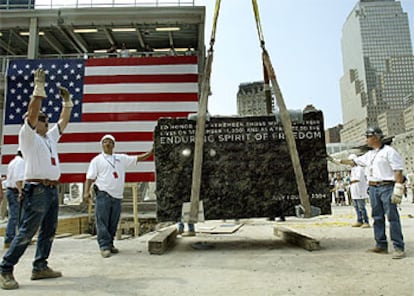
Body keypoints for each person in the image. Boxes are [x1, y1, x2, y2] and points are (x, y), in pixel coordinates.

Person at [0, 68, 74, 290]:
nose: (45, 120)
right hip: (37, 189)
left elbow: (63, 121)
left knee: (49, 230)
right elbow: (32, 113)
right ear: (31, 121)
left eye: (46, 118)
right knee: (27, 231)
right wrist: (38, 90)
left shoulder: (49, 138)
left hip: (51, 190)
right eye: (42, 118)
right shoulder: (28, 136)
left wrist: (67, 103)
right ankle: (5, 268)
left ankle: (40, 266)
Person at [329, 126, 406, 259]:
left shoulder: (389, 152)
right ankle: (381, 244)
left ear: (376, 137)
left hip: (386, 186)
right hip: (373, 188)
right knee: (377, 217)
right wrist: (335, 160)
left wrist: (398, 188)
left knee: (392, 218)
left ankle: (398, 247)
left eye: (368, 137)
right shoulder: (370, 154)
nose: (366, 139)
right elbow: (354, 162)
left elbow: (397, 170)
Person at [83, 135, 153, 258]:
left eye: (110, 142)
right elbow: (89, 177)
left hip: (117, 196)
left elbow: (138, 158)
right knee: (102, 221)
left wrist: (151, 152)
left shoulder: (120, 158)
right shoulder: (97, 160)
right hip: (103, 194)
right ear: (102, 145)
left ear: (113, 145)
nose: (107, 144)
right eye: (105, 142)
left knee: (113, 222)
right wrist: (86, 192)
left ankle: (110, 244)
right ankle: (104, 246)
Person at [3, 150, 25, 249]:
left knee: (17, 216)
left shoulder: (13, 162)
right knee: (15, 216)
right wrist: (20, 191)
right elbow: (18, 179)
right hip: (14, 191)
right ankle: (10, 238)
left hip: (10, 190)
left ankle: (19, 238)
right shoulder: (21, 162)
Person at [347, 154, 370, 228]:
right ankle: (359, 220)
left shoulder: (360, 168)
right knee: (356, 207)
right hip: (354, 191)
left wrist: (349, 181)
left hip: (360, 190)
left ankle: (366, 221)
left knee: (361, 207)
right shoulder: (352, 169)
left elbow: (357, 179)